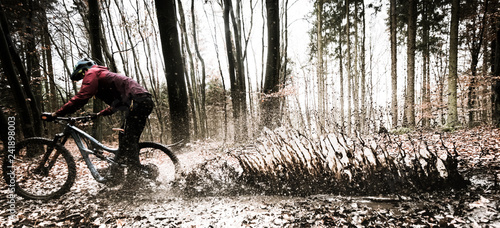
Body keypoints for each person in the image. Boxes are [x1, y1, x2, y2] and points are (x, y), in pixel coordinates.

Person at [51, 58, 154, 182]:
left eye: (82, 76)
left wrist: (58, 112)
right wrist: (99, 114)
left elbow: (83, 96)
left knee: (128, 139)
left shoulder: (92, 72)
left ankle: (133, 175)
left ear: (84, 70)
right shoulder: (104, 76)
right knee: (125, 138)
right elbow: (117, 104)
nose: (83, 78)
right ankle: (119, 173)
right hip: (141, 102)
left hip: (138, 102)